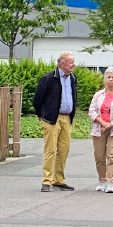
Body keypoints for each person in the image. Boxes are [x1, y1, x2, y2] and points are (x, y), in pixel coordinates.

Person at [33, 52, 77, 192]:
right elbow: (37, 100)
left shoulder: (73, 78)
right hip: (51, 118)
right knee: (50, 150)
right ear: (62, 64)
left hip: (66, 118)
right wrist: (41, 115)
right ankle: (47, 180)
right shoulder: (49, 78)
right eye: (71, 62)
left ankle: (58, 180)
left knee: (64, 149)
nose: (73, 65)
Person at [89, 67, 113, 193]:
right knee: (99, 156)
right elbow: (92, 111)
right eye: (108, 77)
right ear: (105, 79)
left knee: (112, 155)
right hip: (98, 129)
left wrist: (110, 124)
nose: (111, 79)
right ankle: (102, 180)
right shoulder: (98, 95)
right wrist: (102, 123)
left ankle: (110, 182)